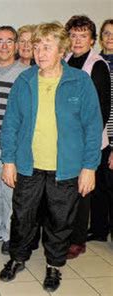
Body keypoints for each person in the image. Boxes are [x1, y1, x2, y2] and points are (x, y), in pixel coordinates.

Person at [0, 22, 102, 292]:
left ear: (61, 50)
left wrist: (89, 167)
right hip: (28, 165)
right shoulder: (25, 80)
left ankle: (54, 266)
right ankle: (18, 258)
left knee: (60, 221)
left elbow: (93, 126)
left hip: (65, 168)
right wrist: (8, 160)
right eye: (36, 46)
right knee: (22, 217)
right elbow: (11, 123)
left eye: (46, 47)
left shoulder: (80, 81)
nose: (39, 52)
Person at [64, 15, 111, 258]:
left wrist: (86, 141)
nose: (77, 40)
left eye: (83, 36)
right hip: (66, 139)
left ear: (92, 40)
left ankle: (77, 240)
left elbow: (102, 109)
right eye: (73, 35)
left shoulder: (98, 65)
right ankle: (65, 233)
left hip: (87, 141)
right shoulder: (65, 60)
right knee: (66, 190)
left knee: (83, 191)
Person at [0, 25, 29, 255]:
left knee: (10, 191)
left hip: (13, 143)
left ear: (15, 45)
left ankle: (9, 235)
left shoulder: (26, 73)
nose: (4, 45)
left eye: (9, 41)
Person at [90, 18, 113, 242]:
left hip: (112, 136)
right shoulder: (95, 62)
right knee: (98, 186)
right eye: (106, 33)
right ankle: (98, 230)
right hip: (99, 135)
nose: (109, 38)